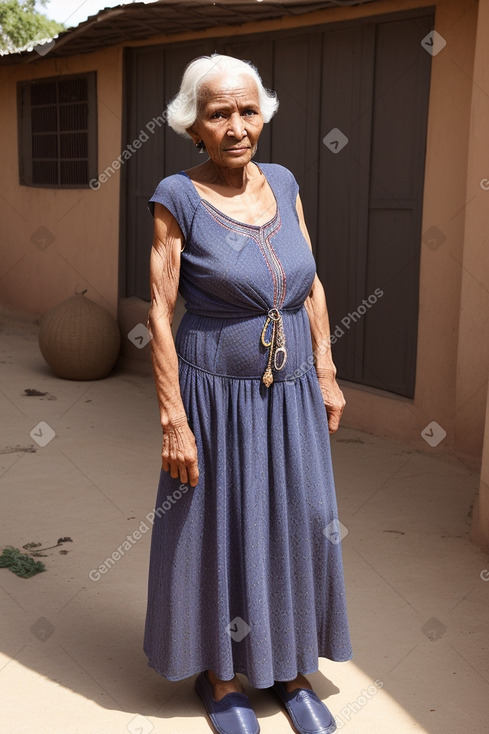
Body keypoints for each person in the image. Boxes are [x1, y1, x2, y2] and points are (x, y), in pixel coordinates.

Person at [144, 53, 352, 734]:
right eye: (218, 114)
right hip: (214, 396)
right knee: (220, 525)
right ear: (192, 125)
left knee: (299, 517)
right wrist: (173, 417)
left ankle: (290, 668)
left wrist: (323, 368)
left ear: (261, 113)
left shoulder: (285, 181)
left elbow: (311, 281)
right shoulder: (176, 196)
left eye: (247, 110)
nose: (236, 126)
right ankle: (223, 675)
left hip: (290, 390)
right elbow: (158, 311)